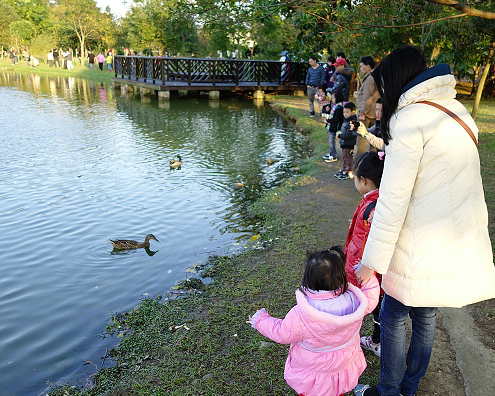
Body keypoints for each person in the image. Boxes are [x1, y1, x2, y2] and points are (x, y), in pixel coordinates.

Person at [353, 46, 495, 396]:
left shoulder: (409, 117)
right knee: (425, 316)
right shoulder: (455, 109)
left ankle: (390, 391)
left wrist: (371, 262)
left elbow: (394, 198)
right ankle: (409, 388)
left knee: (393, 314)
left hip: (419, 240)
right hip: (450, 235)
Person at [248, 246, 379, 396]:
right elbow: (371, 296)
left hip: (312, 375)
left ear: (308, 280)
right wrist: (368, 278)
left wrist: (260, 320)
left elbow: (281, 333)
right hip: (342, 367)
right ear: (341, 276)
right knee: (337, 389)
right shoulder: (357, 302)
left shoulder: (301, 314)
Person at [344, 151, 385, 358]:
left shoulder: (374, 207)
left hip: (368, 271)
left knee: (375, 308)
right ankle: (375, 338)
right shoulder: (372, 200)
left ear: (365, 181)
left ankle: (378, 341)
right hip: (364, 266)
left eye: (354, 178)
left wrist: (366, 267)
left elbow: (374, 242)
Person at [334, 102, 357, 180]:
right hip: (344, 143)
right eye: (344, 112)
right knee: (344, 157)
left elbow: (349, 134)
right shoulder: (346, 120)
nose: (345, 114)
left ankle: (350, 170)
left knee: (348, 157)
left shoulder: (352, 122)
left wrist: (340, 136)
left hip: (348, 143)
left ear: (353, 112)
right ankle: (344, 169)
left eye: (347, 112)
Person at [356, 56, 380, 128]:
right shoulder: (376, 76)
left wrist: (362, 112)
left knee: (361, 137)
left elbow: (367, 98)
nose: (360, 69)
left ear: (368, 66)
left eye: (361, 66)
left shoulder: (370, 79)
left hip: (367, 115)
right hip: (372, 112)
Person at [323, 92, 345, 163]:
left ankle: (333, 155)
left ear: (337, 98)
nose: (332, 99)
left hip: (335, 127)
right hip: (332, 127)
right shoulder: (336, 106)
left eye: (333, 98)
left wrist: (328, 120)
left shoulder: (339, 108)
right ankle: (332, 153)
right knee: (331, 141)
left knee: (332, 141)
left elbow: (336, 119)